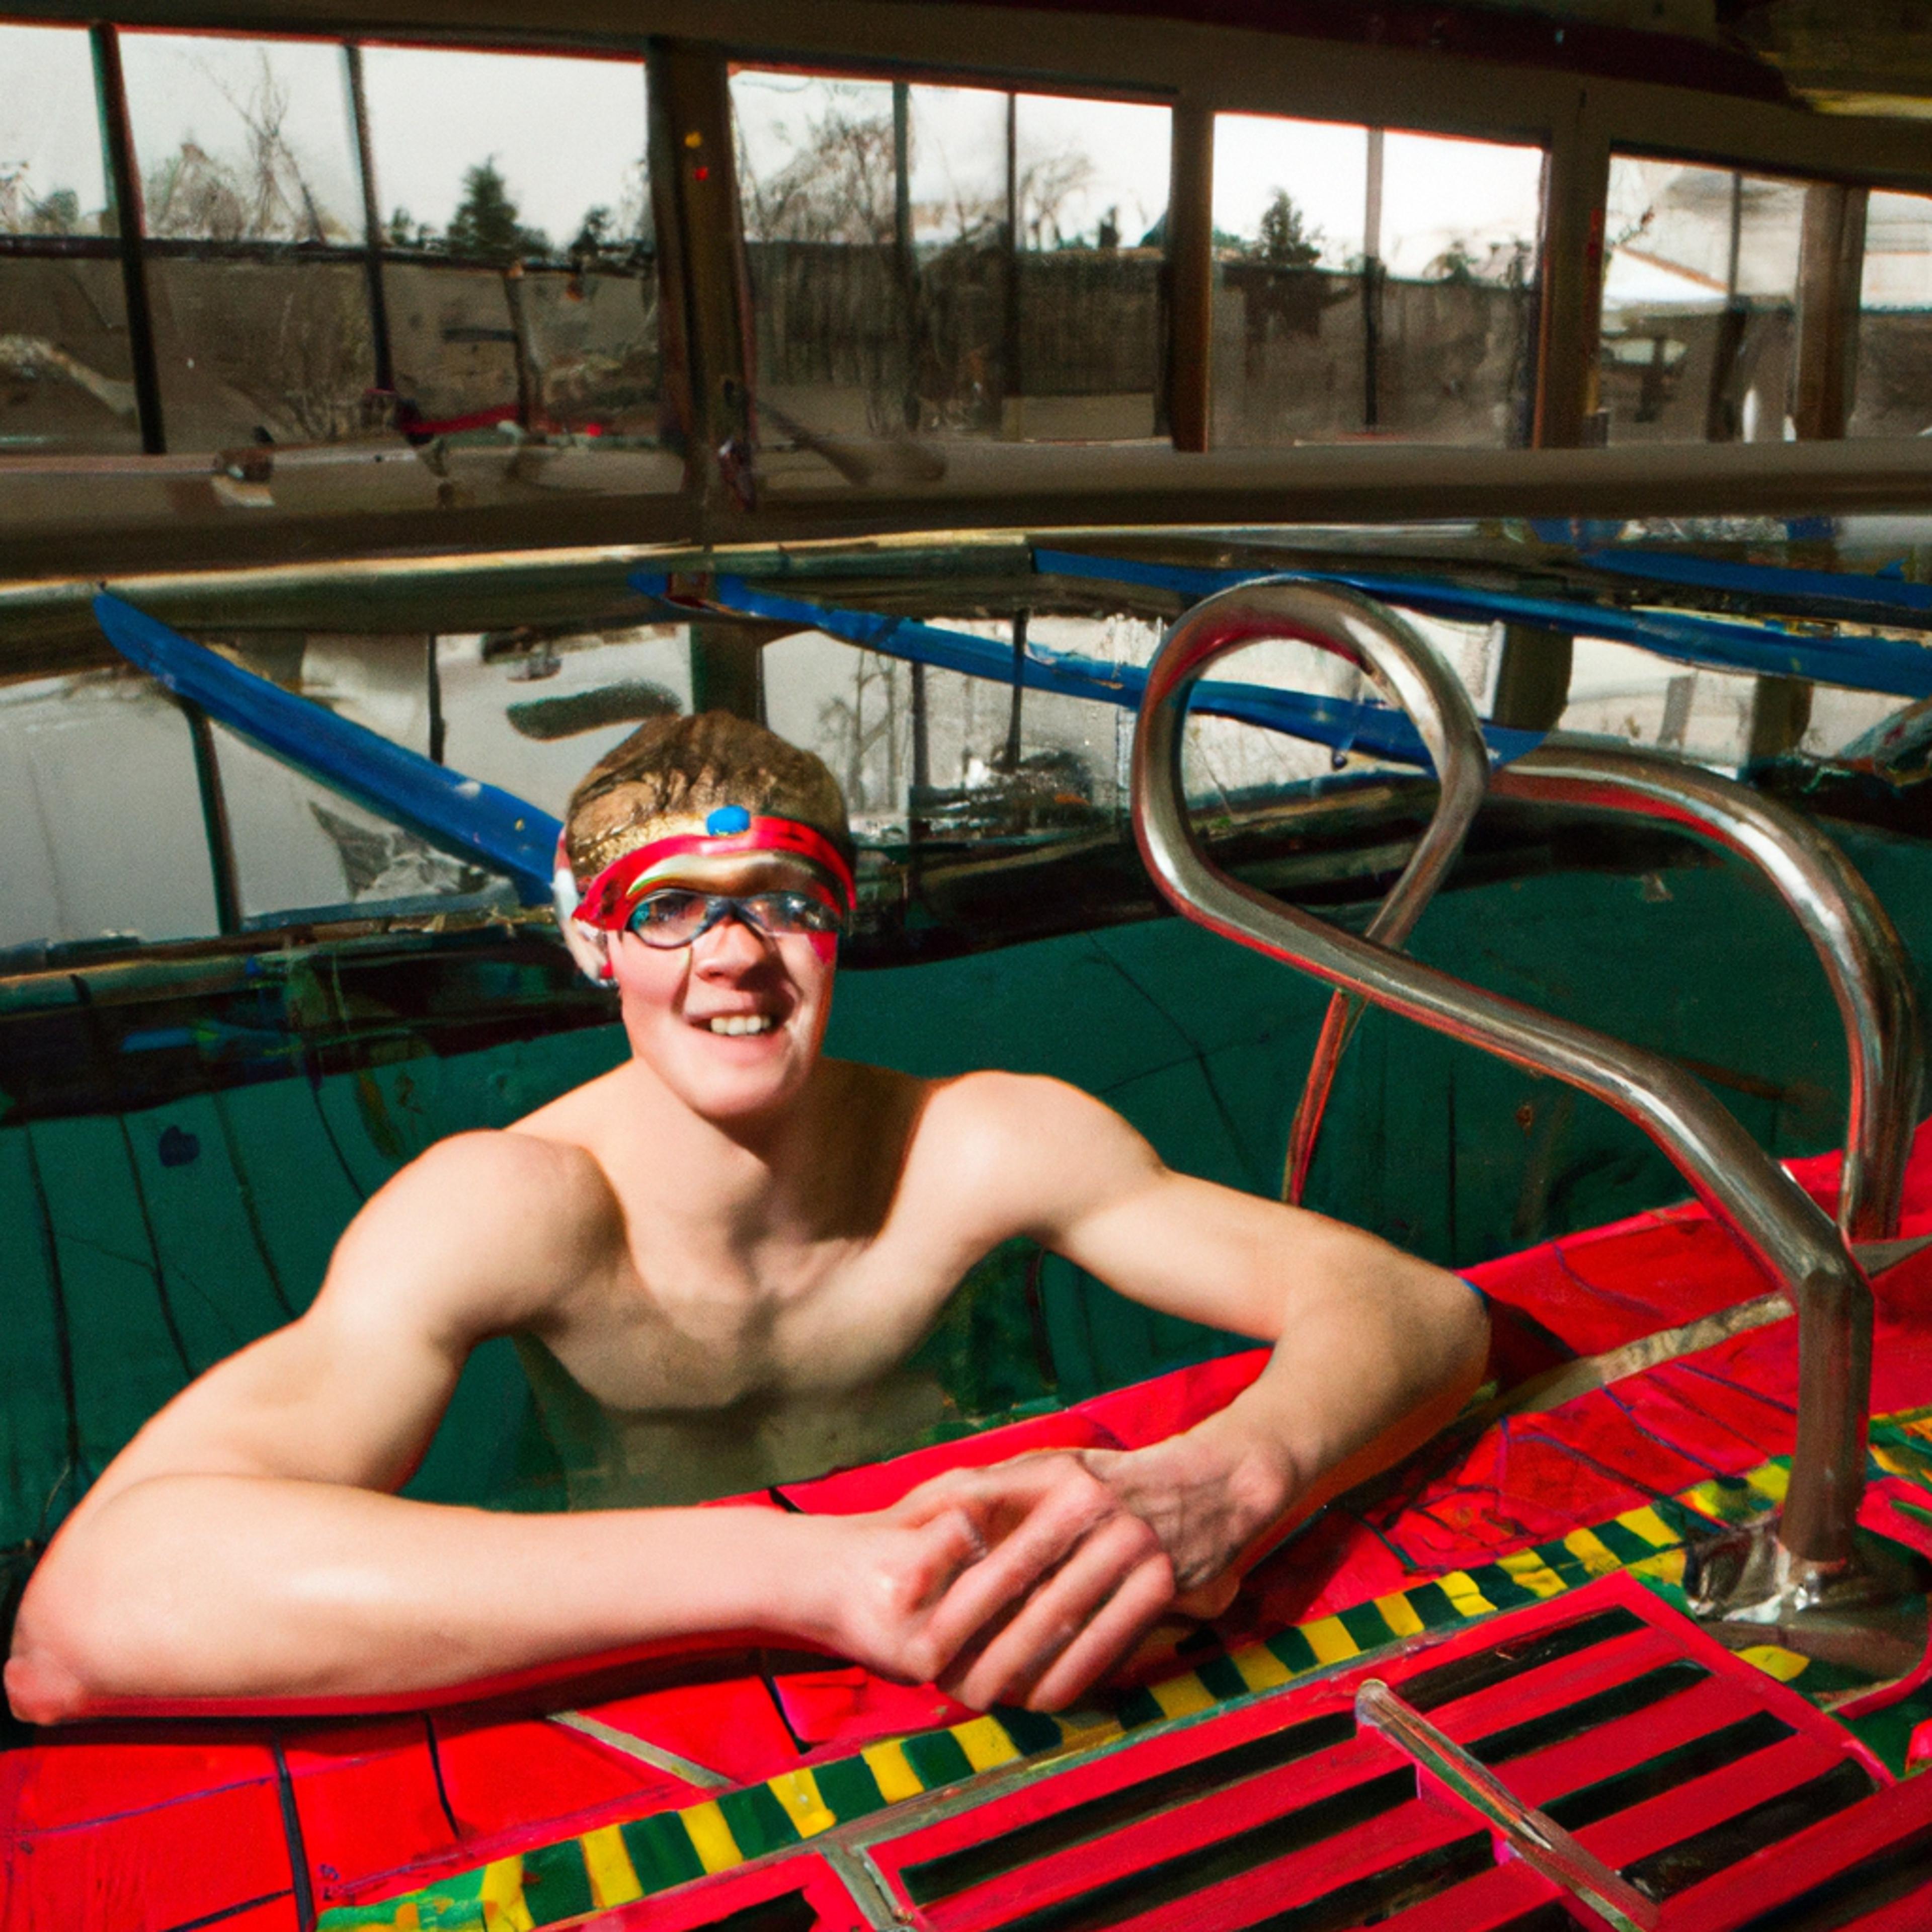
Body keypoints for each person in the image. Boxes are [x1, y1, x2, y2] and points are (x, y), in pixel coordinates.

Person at [6, 711, 1488, 1727]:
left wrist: (1225, 1480)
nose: (732, 955)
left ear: (848, 921)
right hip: (671, 1659)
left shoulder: (983, 1145)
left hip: (1003, 1625)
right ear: (593, 941)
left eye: (783, 897)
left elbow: (1425, 1313)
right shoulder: (512, 1207)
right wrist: (818, 1577)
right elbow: (77, 1632)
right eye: (671, 907)